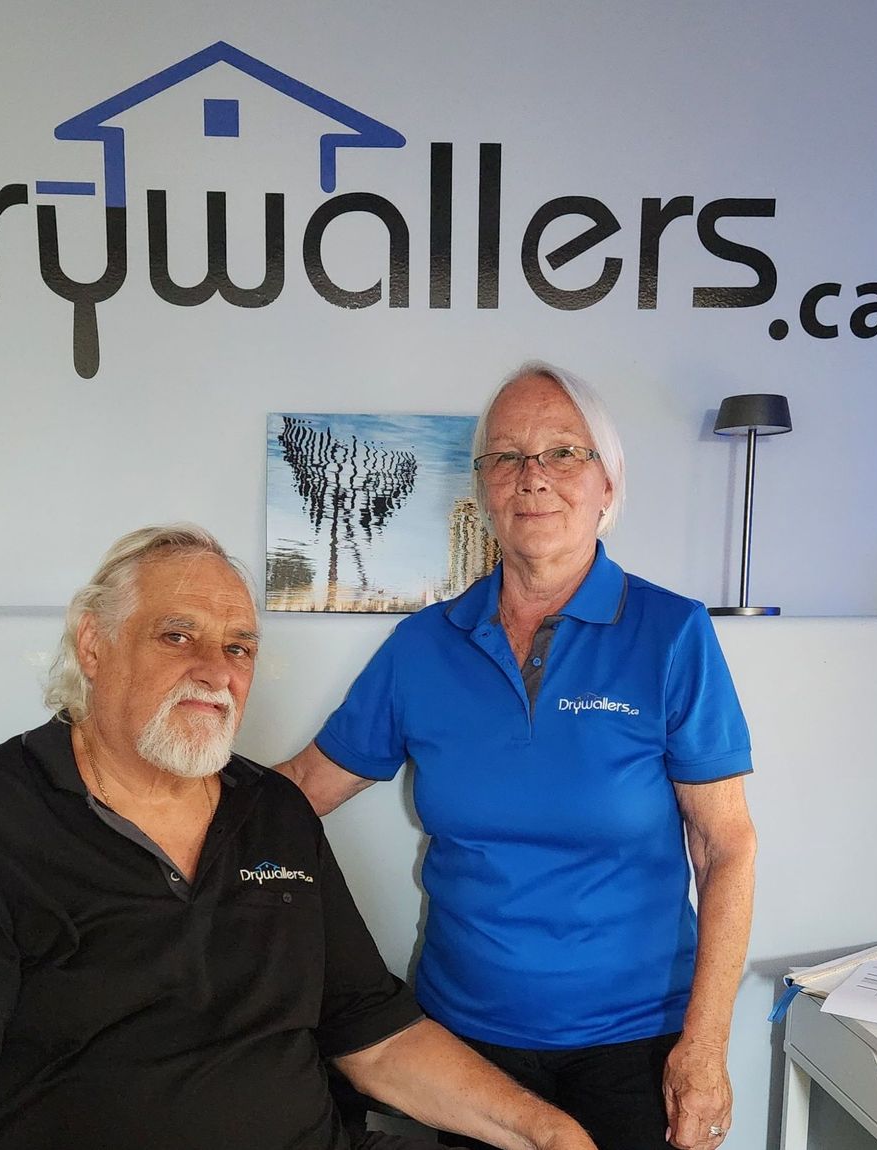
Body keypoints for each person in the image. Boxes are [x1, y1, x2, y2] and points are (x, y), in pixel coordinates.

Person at [0, 524, 599, 1150]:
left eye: (239, 647)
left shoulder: (273, 810)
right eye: (178, 636)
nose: (216, 671)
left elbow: (378, 1036)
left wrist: (545, 1131)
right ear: (94, 647)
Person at [278, 363, 758, 1150]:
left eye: (562, 453)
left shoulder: (673, 635)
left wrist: (705, 1046)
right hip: (466, 1046)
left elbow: (725, 844)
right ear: (483, 488)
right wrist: (151, 809)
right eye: (505, 457)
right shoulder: (423, 647)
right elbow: (302, 789)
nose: (532, 477)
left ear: (608, 484)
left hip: (638, 1044)